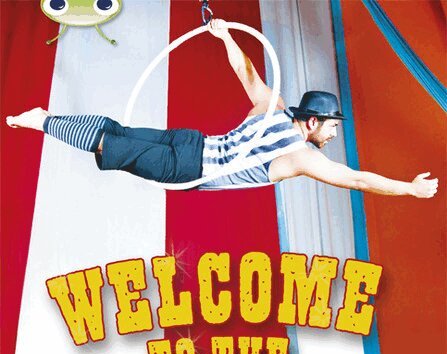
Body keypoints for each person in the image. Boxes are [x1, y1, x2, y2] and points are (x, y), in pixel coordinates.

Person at [6, 19, 438, 198]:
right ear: (313, 122)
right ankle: (43, 122)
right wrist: (408, 189)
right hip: (186, 168)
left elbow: (245, 71)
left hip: (190, 142)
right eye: (332, 127)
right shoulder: (300, 156)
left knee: (115, 133)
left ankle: (45, 118)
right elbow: (357, 179)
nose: (333, 134)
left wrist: (226, 36)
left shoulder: (273, 106)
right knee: (108, 144)